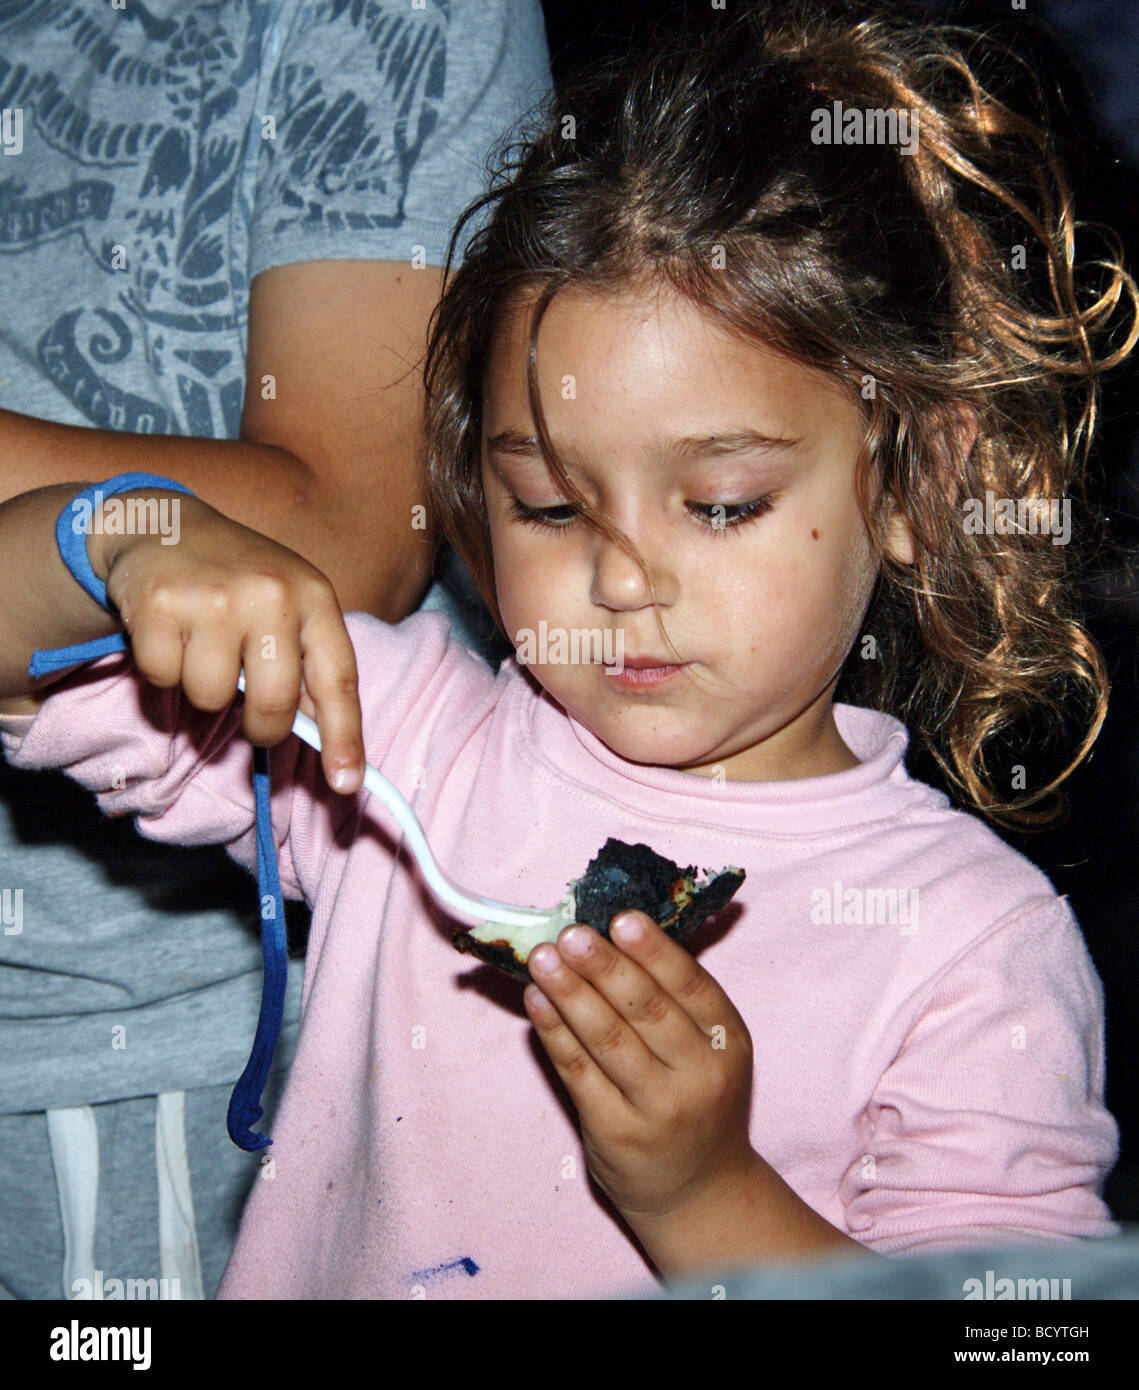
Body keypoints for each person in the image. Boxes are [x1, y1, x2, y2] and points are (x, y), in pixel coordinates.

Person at [0, 0, 1134, 1298]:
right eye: (549, 501)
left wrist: (705, 1193)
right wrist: (116, 536)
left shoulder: (972, 946)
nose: (617, 572)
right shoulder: (399, 742)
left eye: (718, 502)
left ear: (918, 488)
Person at [0, 0, 549, 1298]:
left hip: (139, 1062)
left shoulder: (425, 732)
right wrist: (109, 533)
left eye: (722, 503)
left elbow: (351, 542)